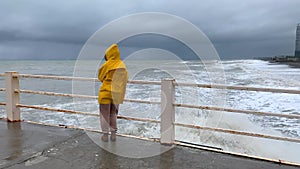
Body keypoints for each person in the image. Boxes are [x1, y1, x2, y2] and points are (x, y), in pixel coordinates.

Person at [98, 44, 128, 142]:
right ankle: (114, 135)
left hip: (106, 93)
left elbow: (100, 77)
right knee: (113, 114)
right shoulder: (122, 65)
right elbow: (125, 79)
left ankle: (105, 135)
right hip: (117, 94)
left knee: (104, 115)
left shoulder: (107, 65)